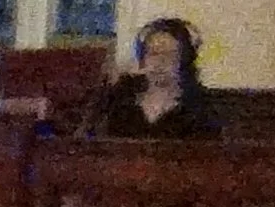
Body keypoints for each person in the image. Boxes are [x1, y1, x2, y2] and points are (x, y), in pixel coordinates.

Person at [80, 15, 217, 139]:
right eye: (153, 53)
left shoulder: (200, 109)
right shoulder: (121, 100)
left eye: (169, 54)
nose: (160, 62)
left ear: (184, 59)